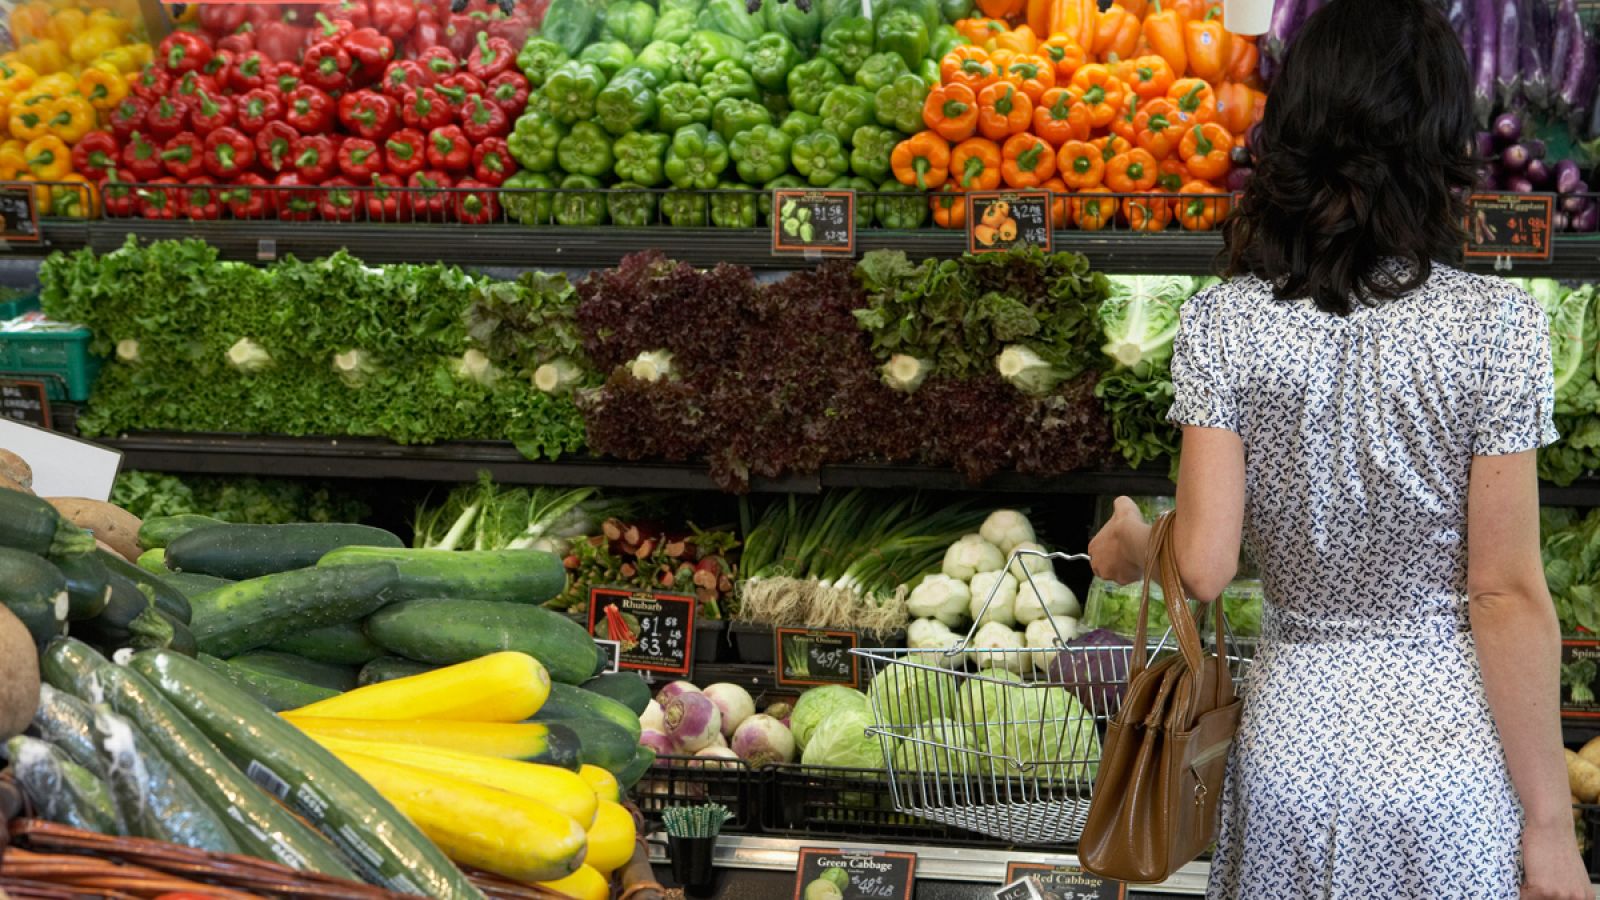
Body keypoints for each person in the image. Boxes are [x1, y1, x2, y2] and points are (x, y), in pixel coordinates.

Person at [1085, 0, 1591, 897]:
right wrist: (1551, 829)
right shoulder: (1494, 327)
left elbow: (1202, 566)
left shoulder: (1222, 322)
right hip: (1447, 766)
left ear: (1294, 130)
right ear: (1439, 140)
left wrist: (1130, 543)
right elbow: (1505, 592)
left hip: (1287, 755)